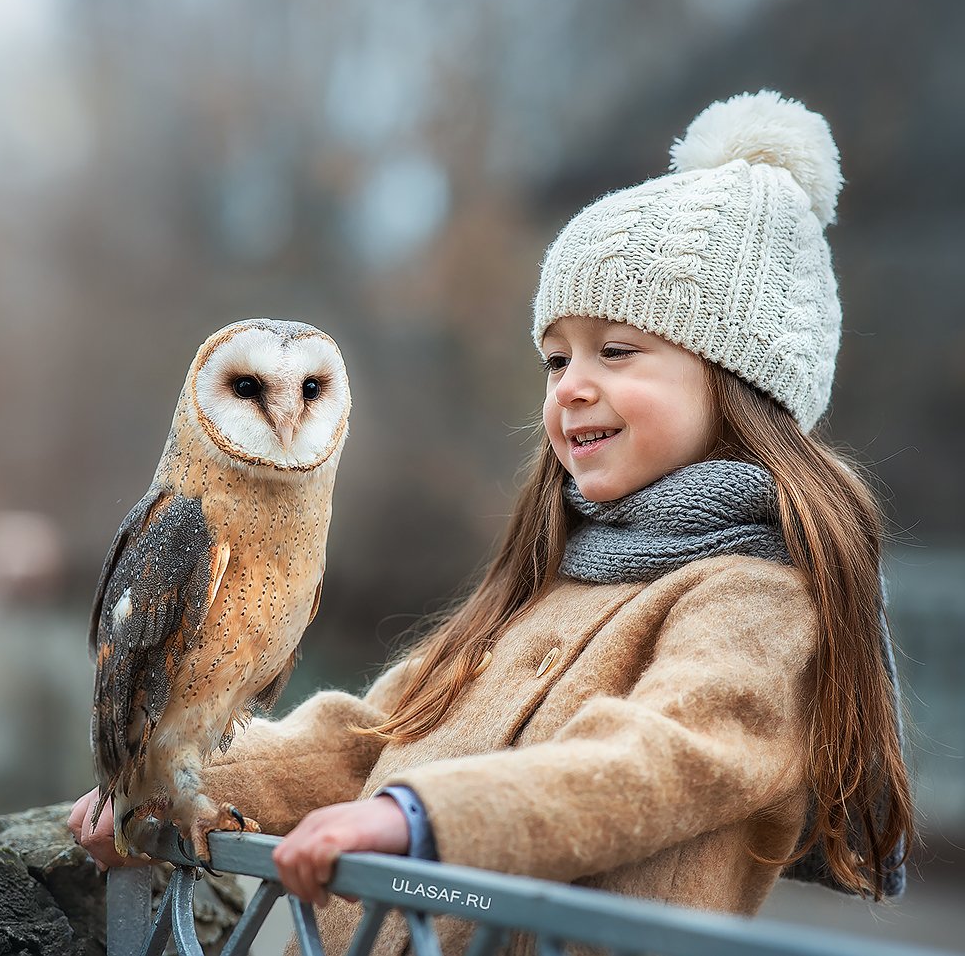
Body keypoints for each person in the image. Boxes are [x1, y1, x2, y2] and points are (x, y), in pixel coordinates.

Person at [70, 90, 913, 953]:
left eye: (616, 350)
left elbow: (658, 764)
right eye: (556, 357)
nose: (571, 384)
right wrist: (167, 785)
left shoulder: (761, 598)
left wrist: (419, 819)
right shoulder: (556, 570)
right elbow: (376, 733)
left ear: (745, 382)